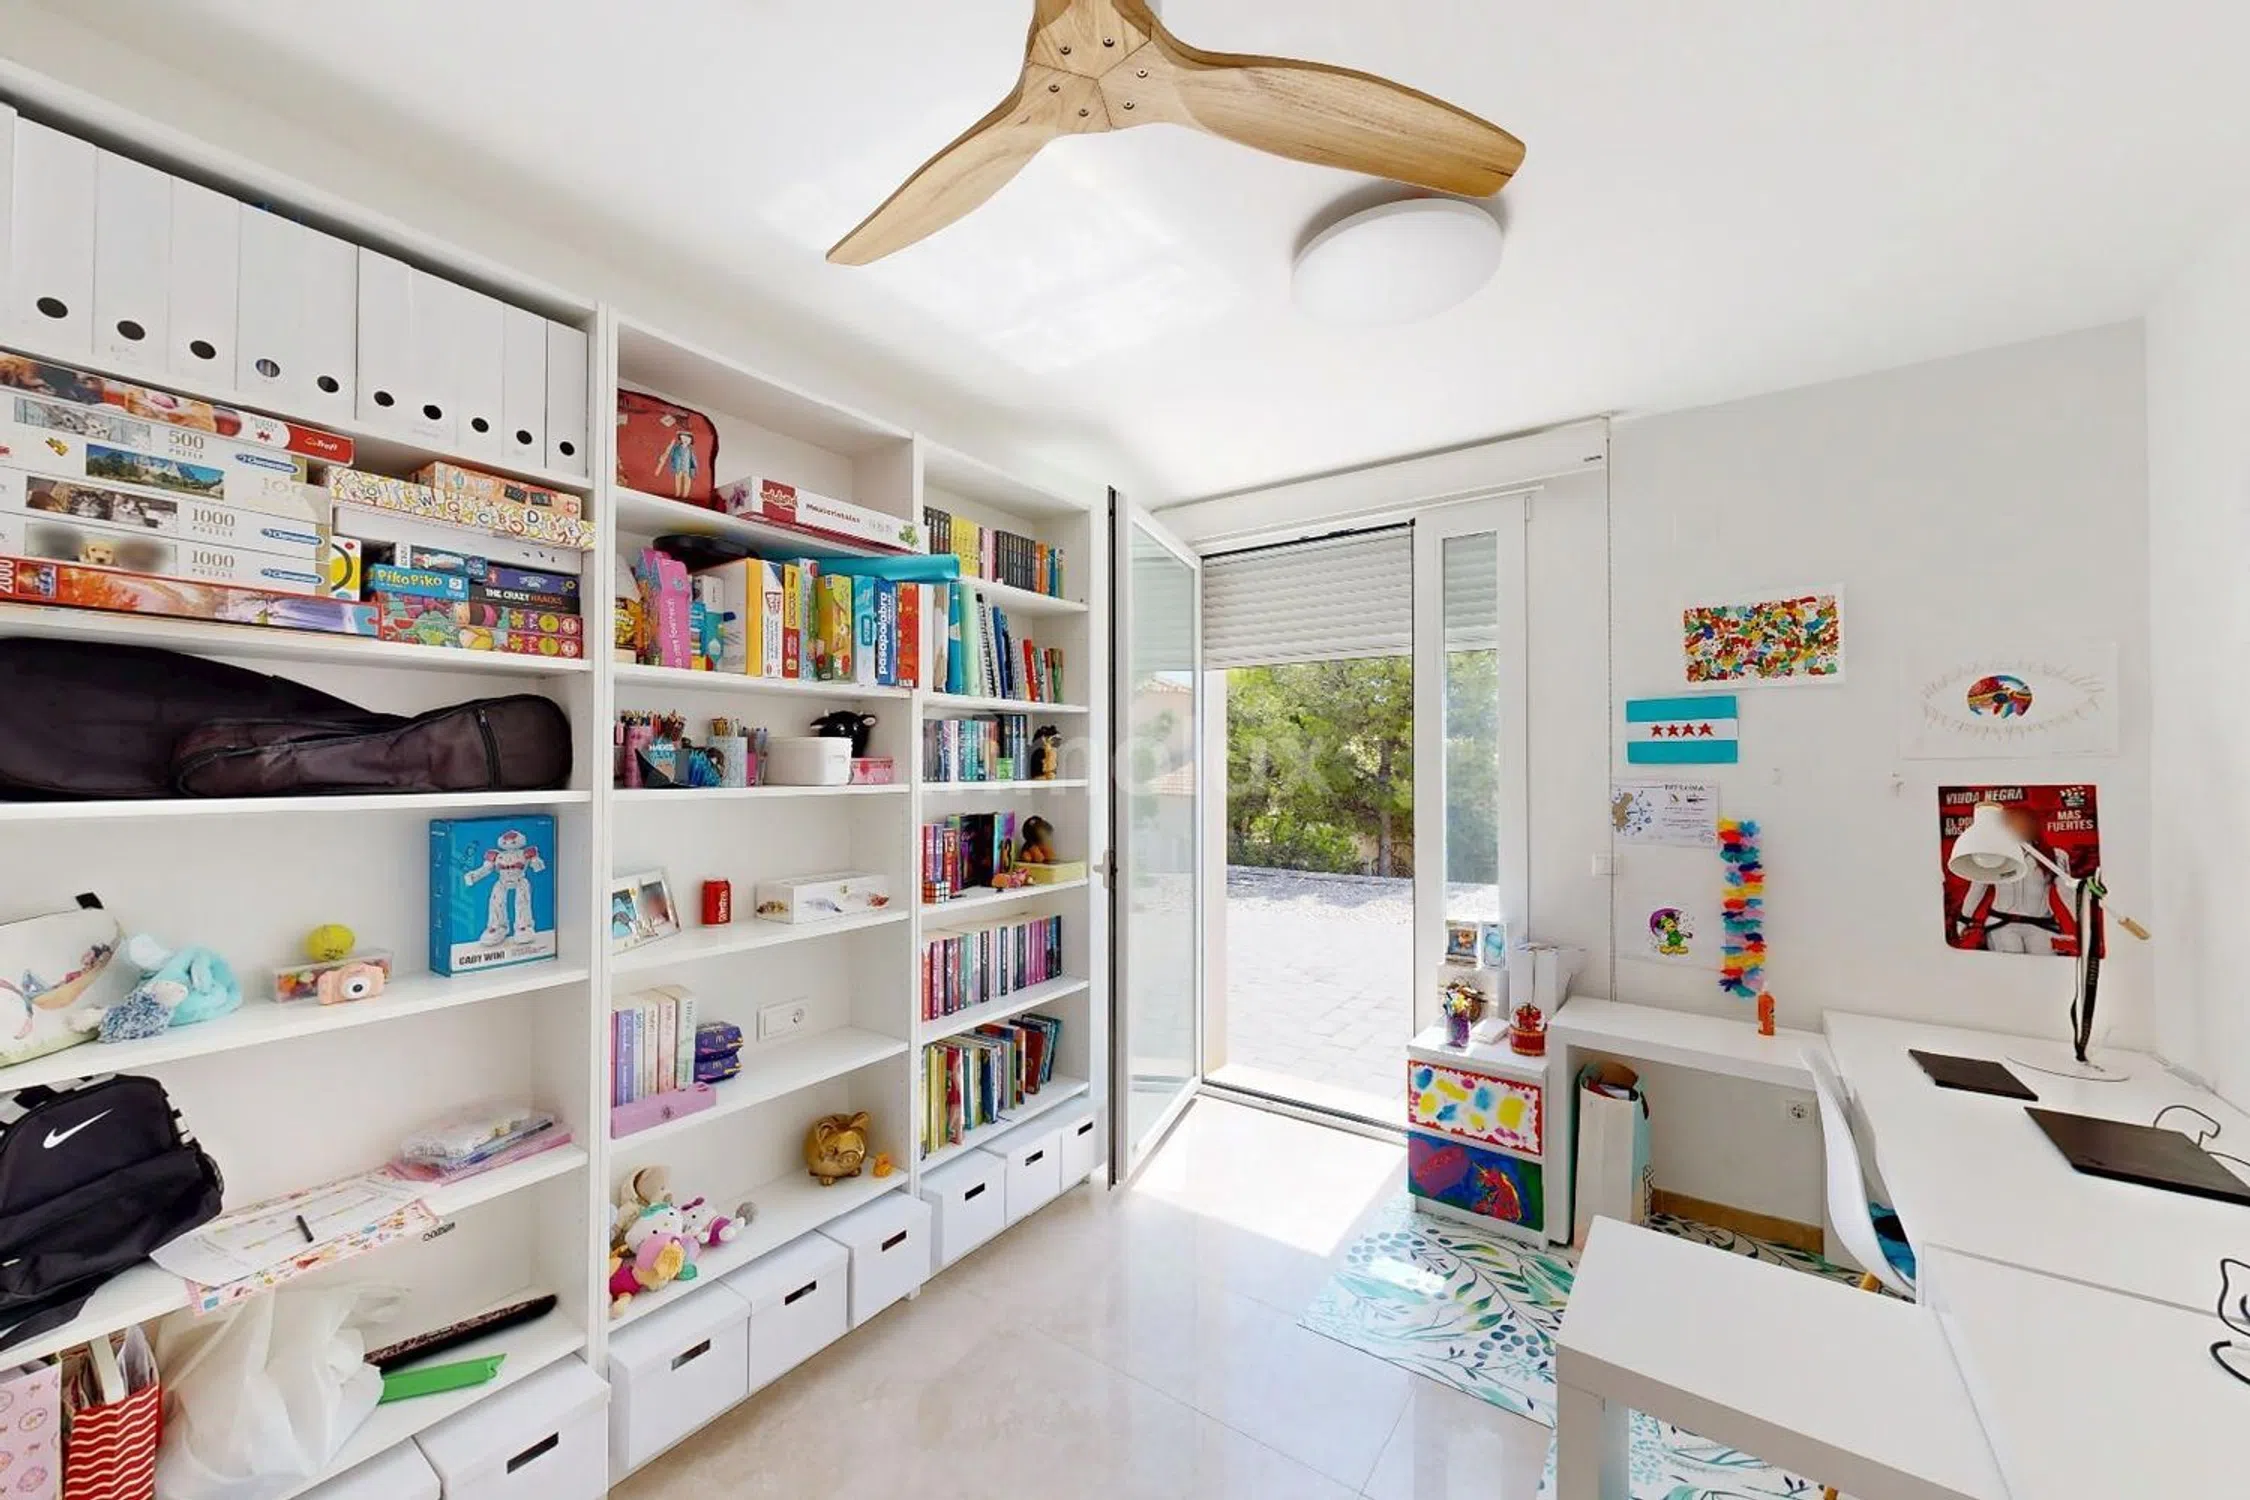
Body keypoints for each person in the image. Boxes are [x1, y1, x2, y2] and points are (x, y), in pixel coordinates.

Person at [1952, 805, 2075, 955]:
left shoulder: (2055, 855)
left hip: (2041, 925)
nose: (2016, 826)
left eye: (2021, 822)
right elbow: (1978, 888)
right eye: (2011, 822)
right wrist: (1964, 919)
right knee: (2010, 963)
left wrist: (2082, 922)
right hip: (2002, 924)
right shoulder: (1994, 855)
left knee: (2044, 964)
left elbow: (2067, 892)